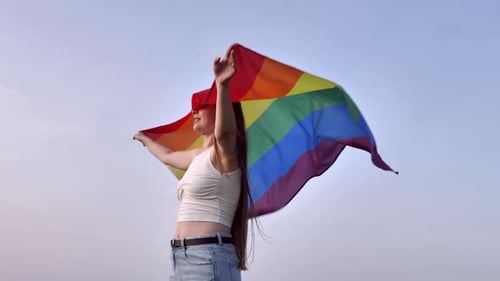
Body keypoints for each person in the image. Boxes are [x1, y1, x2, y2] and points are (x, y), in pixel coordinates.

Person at [133, 47, 253, 280]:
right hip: (182, 258)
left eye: (202, 106)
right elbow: (168, 156)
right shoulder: (197, 156)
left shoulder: (226, 153)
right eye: (193, 107)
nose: (195, 111)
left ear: (220, 111)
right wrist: (145, 139)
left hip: (208, 259)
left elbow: (225, 134)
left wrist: (222, 85)